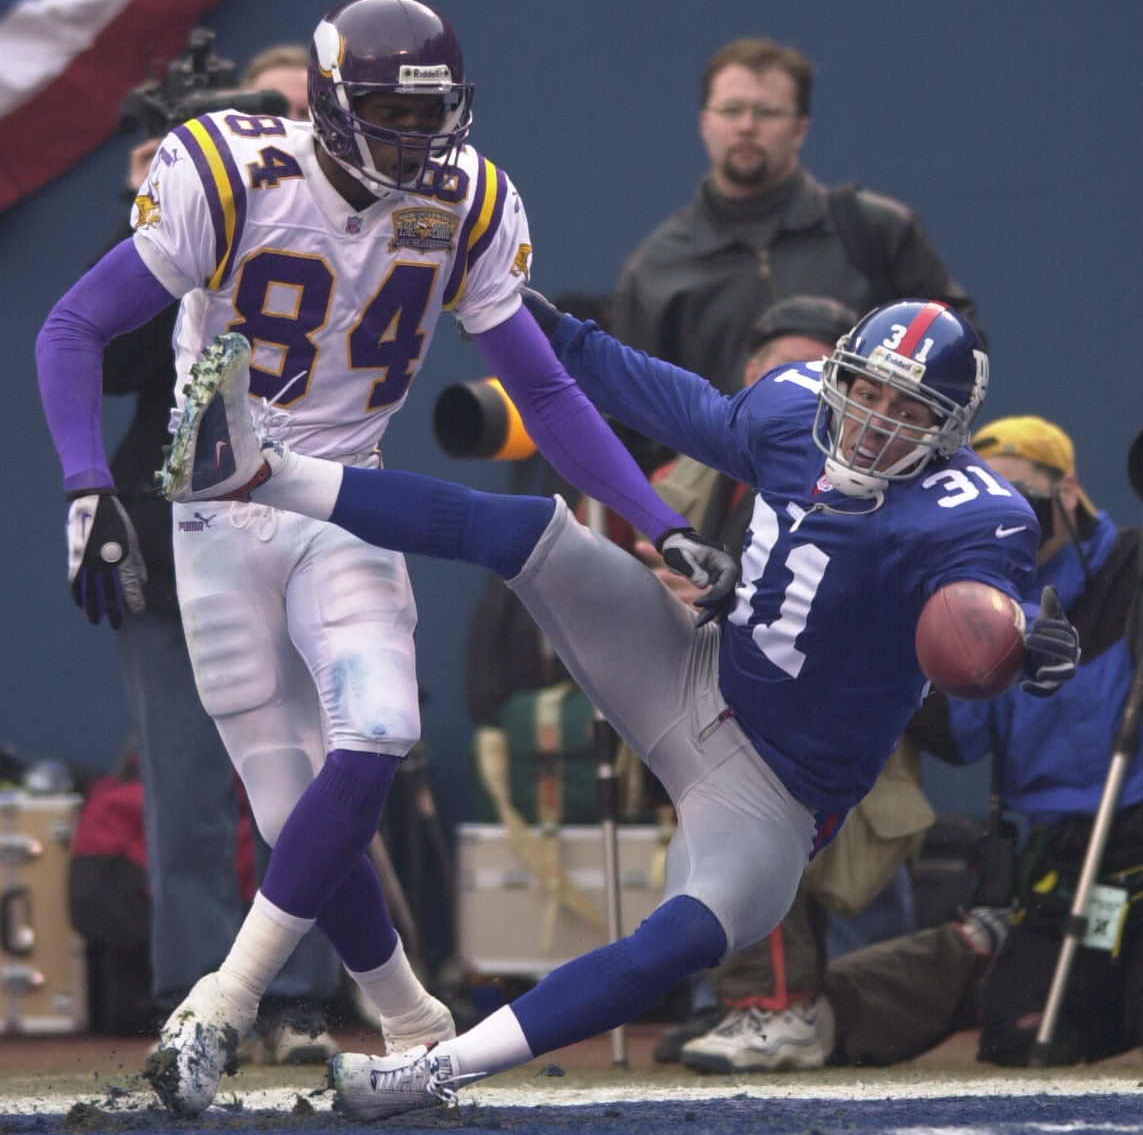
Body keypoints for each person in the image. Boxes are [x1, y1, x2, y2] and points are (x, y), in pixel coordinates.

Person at [35, 0, 724, 1117]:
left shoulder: (467, 199)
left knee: (383, 730)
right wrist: (83, 487)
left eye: (429, 119)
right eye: (389, 118)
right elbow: (71, 326)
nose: (414, 145)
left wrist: (657, 515)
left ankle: (220, 1002)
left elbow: (542, 384)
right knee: (290, 806)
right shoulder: (228, 169)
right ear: (329, 102)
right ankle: (413, 1024)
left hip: (343, 496)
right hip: (210, 515)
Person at [156, 292, 1079, 1118]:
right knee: (532, 531)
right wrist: (530, 318)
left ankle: (435, 1066)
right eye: (867, 392)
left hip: (777, 791)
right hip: (692, 671)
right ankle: (257, 470)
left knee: (680, 936)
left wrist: (1018, 647)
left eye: (907, 409)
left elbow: (983, 618)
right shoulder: (794, 407)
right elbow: (664, 398)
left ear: (949, 429)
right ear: (838, 374)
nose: (875, 423)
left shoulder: (972, 514)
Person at [97, 43, 342, 1062]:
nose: (272, 129)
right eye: (257, 110)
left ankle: (296, 998)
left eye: (290, 109)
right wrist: (150, 203)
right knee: (187, 791)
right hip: (172, 537)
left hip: (301, 530)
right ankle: (199, 1001)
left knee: (306, 780)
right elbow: (114, 358)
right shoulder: (194, 209)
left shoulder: (350, 225)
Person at [629, 295, 934, 1071]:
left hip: (846, 729)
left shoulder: (899, 479)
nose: (804, 385)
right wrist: (652, 585)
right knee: (728, 859)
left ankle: (791, 1014)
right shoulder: (684, 474)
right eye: (784, 368)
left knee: (849, 909)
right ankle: (751, 1007)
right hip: (717, 708)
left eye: (821, 369)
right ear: (751, 376)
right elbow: (628, 552)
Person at [804, 415, 1143, 1068]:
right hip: (1058, 865)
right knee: (1016, 1036)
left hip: (1131, 832)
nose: (1012, 509)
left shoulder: (1129, 570)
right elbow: (958, 736)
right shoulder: (979, 599)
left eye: (1023, 491)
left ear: (1066, 490)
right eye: (992, 492)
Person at [610, 36, 979, 472]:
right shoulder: (656, 268)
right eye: (731, 110)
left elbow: (959, 360)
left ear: (801, 127)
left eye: (766, 112)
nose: (747, 126)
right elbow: (631, 420)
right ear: (704, 122)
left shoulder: (874, 231)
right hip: (720, 504)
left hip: (875, 489)